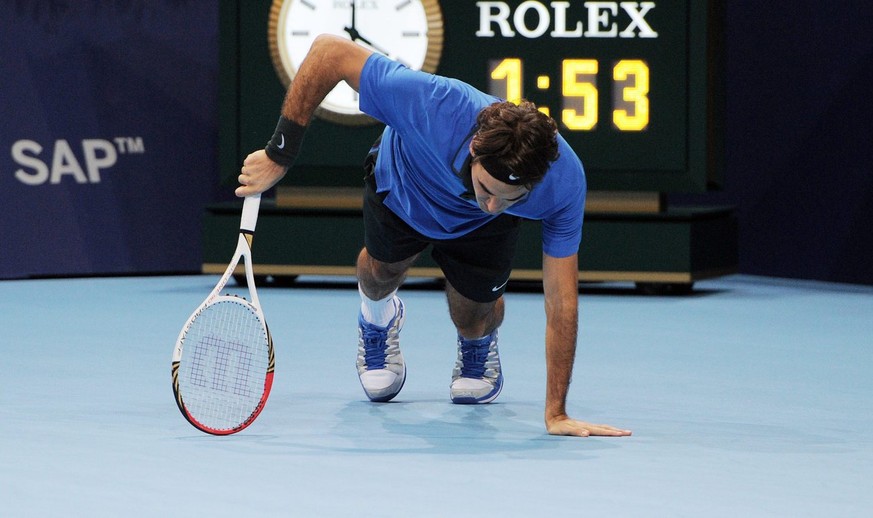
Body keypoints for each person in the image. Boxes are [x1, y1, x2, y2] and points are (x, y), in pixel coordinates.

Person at [236, 34, 631, 438]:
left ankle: (477, 343)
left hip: (478, 231)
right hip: (403, 188)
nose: (494, 203)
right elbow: (328, 52)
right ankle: (378, 320)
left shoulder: (562, 183)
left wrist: (557, 413)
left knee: (472, 314)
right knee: (379, 274)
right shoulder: (432, 103)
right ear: (475, 147)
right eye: (489, 189)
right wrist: (279, 153)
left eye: (511, 198)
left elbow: (560, 301)